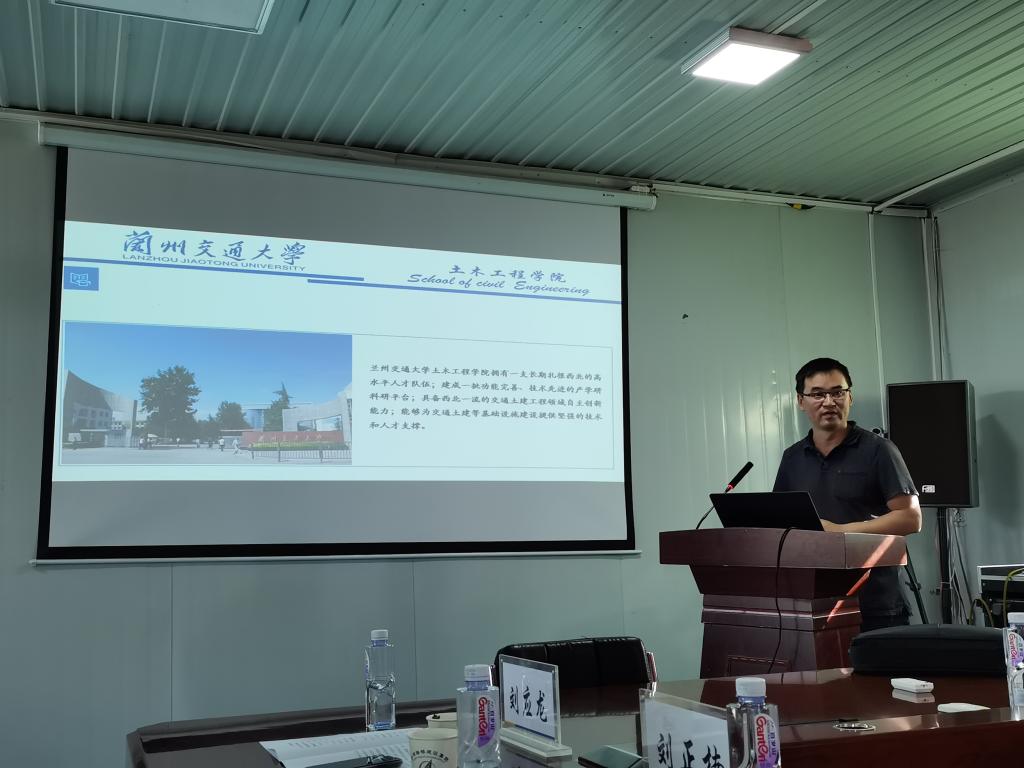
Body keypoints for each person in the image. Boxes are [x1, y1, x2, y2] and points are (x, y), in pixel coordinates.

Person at [773, 357, 922, 632]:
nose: (829, 402)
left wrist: (840, 531)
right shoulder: (792, 458)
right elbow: (781, 521)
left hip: (875, 603)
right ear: (801, 401)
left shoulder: (879, 450)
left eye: (837, 392)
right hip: (815, 602)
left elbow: (911, 518)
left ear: (850, 397)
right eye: (818, 394)